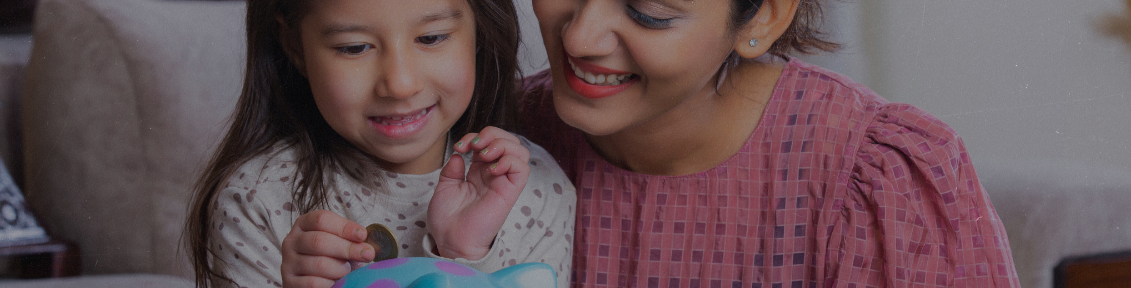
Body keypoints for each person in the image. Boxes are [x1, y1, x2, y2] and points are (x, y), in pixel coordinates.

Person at [517, 0, 1021, 286]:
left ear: (763, 18)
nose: (580, 38)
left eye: (649, 12)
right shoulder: (492, 130)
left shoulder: (878, 178)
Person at [182, 0, 576, 287]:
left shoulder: (536, 190)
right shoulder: (256, 201)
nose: (400, 83)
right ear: (295, 46)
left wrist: (464, 255)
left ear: (479, 30)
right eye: (354, 47)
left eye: (431, 37)